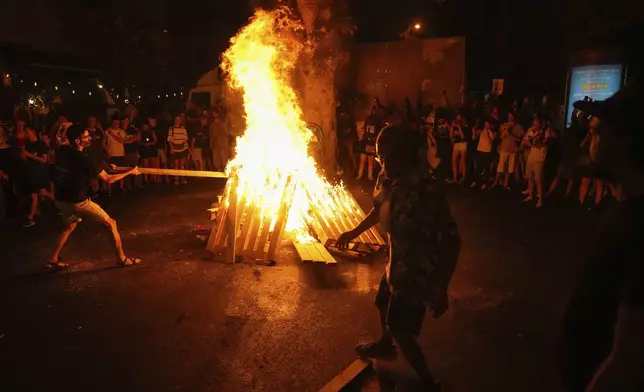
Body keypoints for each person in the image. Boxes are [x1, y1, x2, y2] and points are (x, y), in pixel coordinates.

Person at [336, 124, 460, 392]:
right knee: (382, 301)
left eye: (391, 158)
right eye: (382, 157)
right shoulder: (388, 178)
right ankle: (384, 343)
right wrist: (354, 231)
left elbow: (452, 240)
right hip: (396, 263)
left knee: (401, 329)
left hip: (417, 273)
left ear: (408, 156)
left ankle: (427, 382)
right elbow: (379, 210)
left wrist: (440, 286)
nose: (385, 163)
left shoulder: (427, 191)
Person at [559, 82, 644, 392]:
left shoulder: (637, 228)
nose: (584, 144)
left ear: (625, 142)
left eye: (595, 133)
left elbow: (628, 359)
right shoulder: (622, 211)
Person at [48, 124, 141, 269]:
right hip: (78, 203)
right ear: (78, 141)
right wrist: (130, 172)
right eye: (86, 136)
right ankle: (122, 259)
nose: (89, 138)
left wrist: (106, 165)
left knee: (69, 226)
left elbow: (57, 142)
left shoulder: (63, 151)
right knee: (111, 223)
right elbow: (108, 179)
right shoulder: (85, 158)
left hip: (60, 200)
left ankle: (52, 259)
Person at [18, 124, 53, 227]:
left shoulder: (41, 144)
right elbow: (26, 160)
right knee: (42, 192)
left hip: (39, 173)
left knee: (34, 194)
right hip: (31, 172)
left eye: (27, 131)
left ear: (32, 131)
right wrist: (23, 156)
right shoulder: (28, 145)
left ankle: (31, 217)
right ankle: (61, 204)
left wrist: (29, 155)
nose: (26, 134)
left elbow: (44, 160)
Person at [521, 116, 552, 208]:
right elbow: (525, 140)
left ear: (540, 124)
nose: (534, 125)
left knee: (538, 180)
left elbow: (543, 143)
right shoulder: (530, 130)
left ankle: (540, 199)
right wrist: (525, 143)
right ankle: (530, 195)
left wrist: (530, 143)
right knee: (530, 177)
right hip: (531, 156)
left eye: (536, 124)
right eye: (533, 123)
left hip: (539, 158)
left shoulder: (545, 132)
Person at [578, 117, 604, 209]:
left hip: (597, 162)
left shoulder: (600, 137)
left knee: (598, 183)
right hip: (590, 162)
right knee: (585, 181)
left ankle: (597, 203)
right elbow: (582, 145)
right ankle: (581, 201)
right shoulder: (590, 136)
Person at [493, 112, 524, 189]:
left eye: (512, 116)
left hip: (513, 150)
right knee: (500, 167)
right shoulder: (503, 125)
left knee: (509, 169)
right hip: (504, 148)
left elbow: (520, 139)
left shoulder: (518, 127)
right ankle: (496, 182)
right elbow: (499, 136)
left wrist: (511, 134)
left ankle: (506, 184)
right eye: (509, 116)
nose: (510, 118)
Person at [104, 117, 129, 193]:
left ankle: (121, 187)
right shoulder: (107, 131)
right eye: (114, 123)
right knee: (111, 172)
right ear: (112, 123)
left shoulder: (122, 131)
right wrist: (107, 152)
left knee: (121, 171)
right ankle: (110, 189)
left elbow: (122, 141)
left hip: (120, 154)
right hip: (112, 154)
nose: (116, 124)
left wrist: (112, 135)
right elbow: (104, 142)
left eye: (118, 123)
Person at [357, 107, 382, 181]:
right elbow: (365, 131)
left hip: (371, 144)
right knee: (362, 161)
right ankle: (360, 175)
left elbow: (377, 133)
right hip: (365, 144)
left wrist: (372, 144)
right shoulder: (368, 119)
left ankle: (369, 176)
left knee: (370, 162)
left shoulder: (377, 121)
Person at [471, 119, 496, 189]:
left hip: (487, 152)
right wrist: (474, 132)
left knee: (487, 168)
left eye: (487, 125)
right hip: (479, 150)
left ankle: (485, 183)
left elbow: (491, 141)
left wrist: (487, 134)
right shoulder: (480, 131)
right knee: (478, 168)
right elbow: (473, 138)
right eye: (485, 125)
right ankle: (476, 181)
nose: (486, 126)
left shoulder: (491, 132)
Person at [86, 115, 107, 195]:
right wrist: (91, 139)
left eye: (93, 121)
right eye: (90, 121)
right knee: (93, 174)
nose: (91, 122)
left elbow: (105, 138)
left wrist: (100, 128)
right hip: (91, 155)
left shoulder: (98, 131)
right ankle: (94, 191)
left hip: (99, 155)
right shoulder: (86, 131)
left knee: (101, 171)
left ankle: (102, 190)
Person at [168, 114, 190, 185]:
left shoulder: (183, 129)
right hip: (175, 149)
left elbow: (185, 140)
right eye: (176, 119)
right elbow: (169, 140)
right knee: (176, 165)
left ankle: (182, 178)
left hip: (182, 149)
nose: (177, 121)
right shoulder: (171, 128)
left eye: (179, 119)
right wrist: (171, 148)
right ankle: (176, 179)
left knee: (182, 165)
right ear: (174, 120)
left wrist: (189, 150)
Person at [449, 113, 468, 184]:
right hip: (456, 144)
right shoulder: (455, 126)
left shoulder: (464, 126)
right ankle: (455, 178)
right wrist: (452, 126)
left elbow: (463, 137)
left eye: (459, 118)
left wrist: (459, 127)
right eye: (457, 118)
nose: (458, 119)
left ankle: (463, 178)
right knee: (454, 161)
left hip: (463, 144)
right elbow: (451, 136)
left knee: (463, 162)